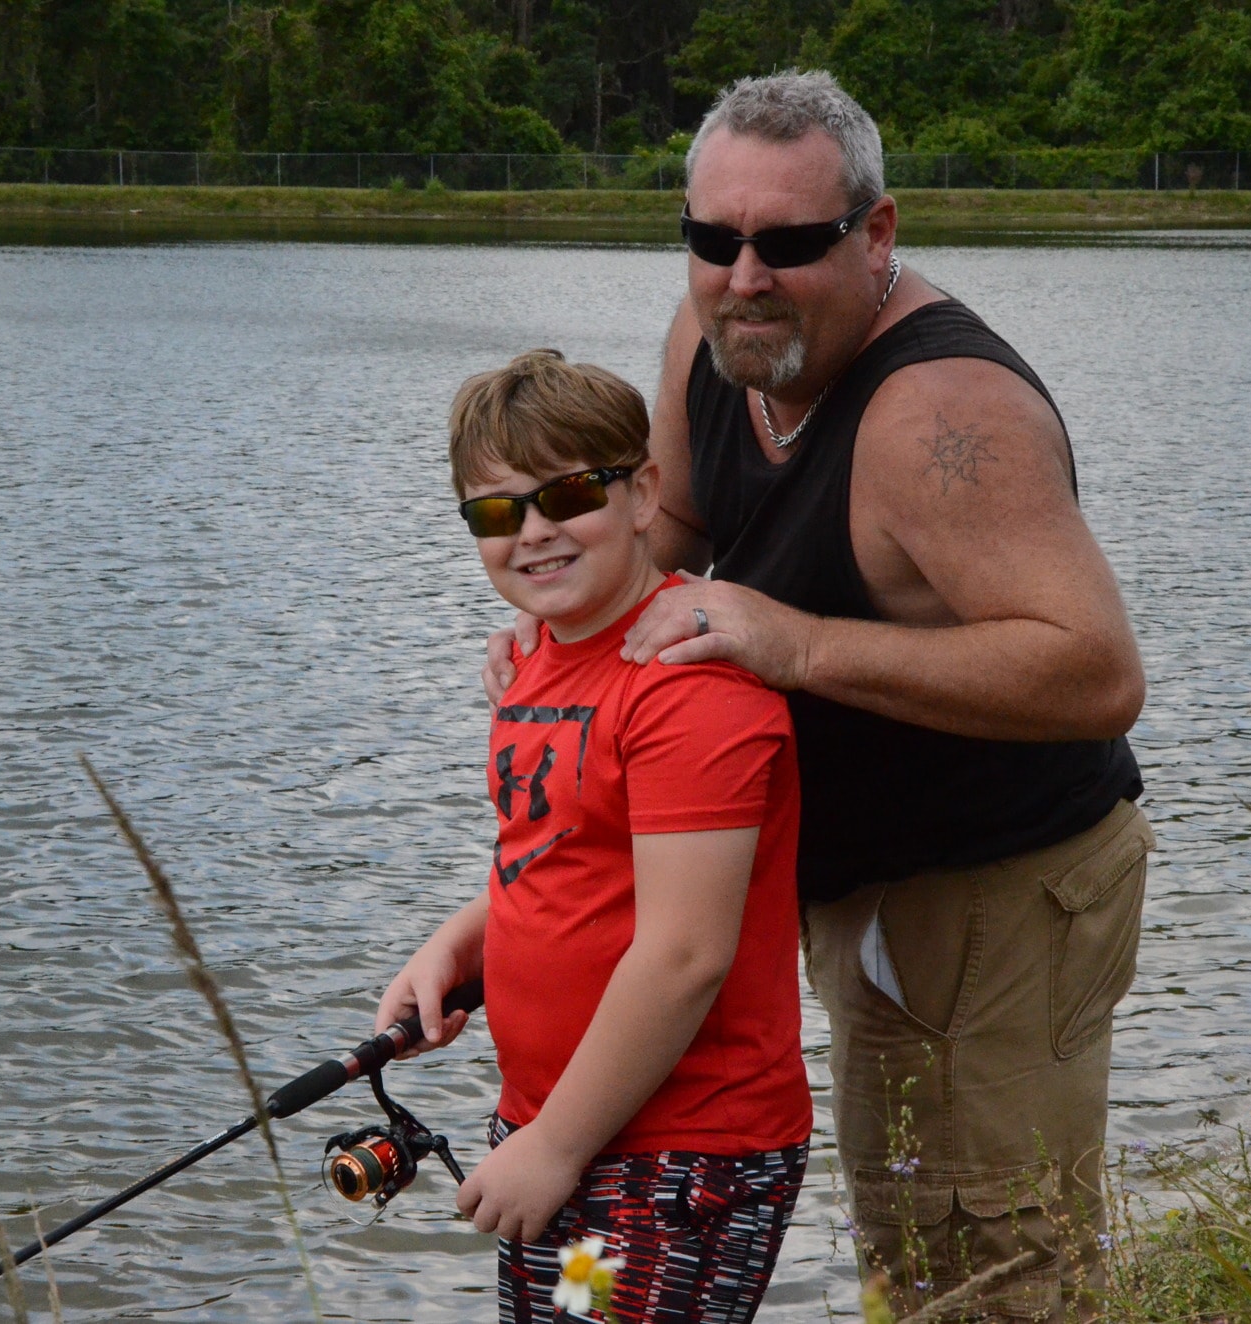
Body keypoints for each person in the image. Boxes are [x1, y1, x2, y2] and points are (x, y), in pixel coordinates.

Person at [484, 73, 1151, 1321]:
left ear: (876, 233)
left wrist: (791, 643)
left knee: (985, 1255)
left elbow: (1096, 671)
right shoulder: (710, 344)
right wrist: (557, 625)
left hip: (998, 885)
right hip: (849, 877)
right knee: (898, 1227)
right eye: (711, 239)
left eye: (790, 243)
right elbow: (671, 521)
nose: (746, 275)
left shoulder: (943, 415)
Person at [378, 349, 814, 1323]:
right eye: (496, 512)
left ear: (643, 491)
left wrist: (555, 1146)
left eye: (566, 493)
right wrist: (458, 944)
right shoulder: (535, 654)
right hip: (560, 1131)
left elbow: (683, 952)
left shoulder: (685, 680)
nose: (531, 532)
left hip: (676, 1157)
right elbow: (561, 864)